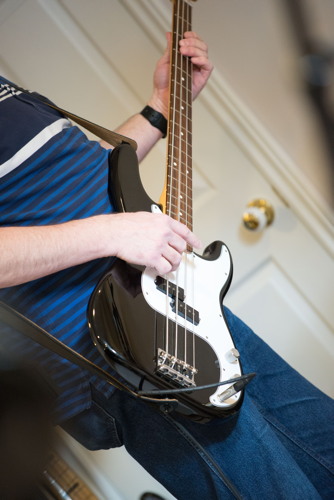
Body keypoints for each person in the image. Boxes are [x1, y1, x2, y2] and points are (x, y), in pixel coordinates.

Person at [0, 31, 333, 500]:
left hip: (184, 305)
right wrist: (113, 233)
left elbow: (91, 175)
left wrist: (160, 105)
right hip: (123, 353)